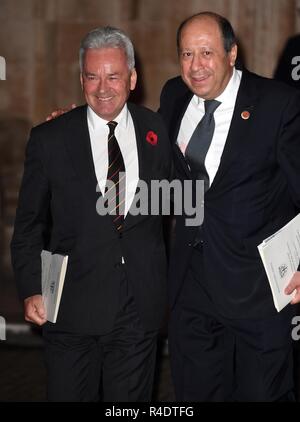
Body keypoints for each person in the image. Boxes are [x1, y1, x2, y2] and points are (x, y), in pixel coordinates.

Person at [11, 26, 172, 402]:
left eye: (113, 76)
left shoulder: (157, 131)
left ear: (132, 78)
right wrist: (32, 286)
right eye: (92, 76)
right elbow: (28, 225)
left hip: (138, 306)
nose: (102, 88)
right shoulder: (49, 138)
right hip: (69, 307)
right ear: (81, 78)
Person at [159, 12, 300, 401]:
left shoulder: (278, 104)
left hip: (258, 288)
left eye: (206, 52)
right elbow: (153, 162)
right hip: (191, 285)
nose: (195, 65)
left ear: (232, 53)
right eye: (186, 54)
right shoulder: (173, 95)